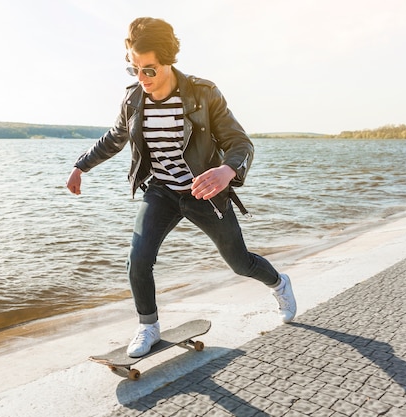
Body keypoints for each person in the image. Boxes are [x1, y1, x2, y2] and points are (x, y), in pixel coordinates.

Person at [66, 17, 296, 358]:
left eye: (150, 70)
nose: (142, 78)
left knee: (239, 263)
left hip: (205, 192)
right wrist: (80, 165)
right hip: (160, 191)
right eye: (134, 70)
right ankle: (148, 325)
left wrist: (226, 171)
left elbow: (240, 142)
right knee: (137, 260)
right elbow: (115, 138)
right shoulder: (132, 100)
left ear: (168, 60)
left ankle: (279, 284)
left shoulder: (203, 94)